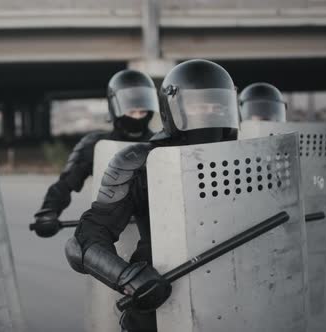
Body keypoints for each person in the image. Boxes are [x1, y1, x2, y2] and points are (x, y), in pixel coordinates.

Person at [65, 59, 240, 332]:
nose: (207, 115)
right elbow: (83, 243)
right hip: (162, 298)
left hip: (239, 291)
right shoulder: (139, 161)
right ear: (176, 108)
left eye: (215, 106)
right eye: (197, 107)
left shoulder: (251, 161)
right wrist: (130, 279)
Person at [32, 69, 160, 238]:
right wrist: (49, 211)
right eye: (131, 112)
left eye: (141, 112)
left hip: (157, 232)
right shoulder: (95, 145)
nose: (137, 117)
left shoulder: (162, 144)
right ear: (116, 109)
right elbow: (65, 184)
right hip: (108, 229)